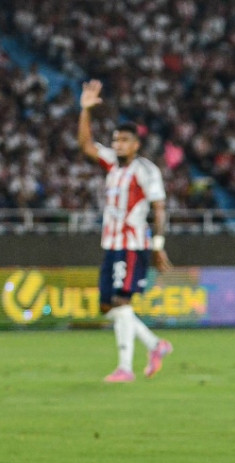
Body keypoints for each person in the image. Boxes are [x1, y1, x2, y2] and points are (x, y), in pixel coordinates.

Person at [77, 80, 174, 383]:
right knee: (107, 305)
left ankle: (125, 368)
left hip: (132, 245)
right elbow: (85, 145)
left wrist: (157, 245)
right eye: (115, 140)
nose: (117, 144)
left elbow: (159, 208)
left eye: (123, 141)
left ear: (136, 145)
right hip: (111, 244)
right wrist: (85, 111)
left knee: (122, 303)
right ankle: (155, 345)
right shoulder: (111, 166)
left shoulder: (146, 171)